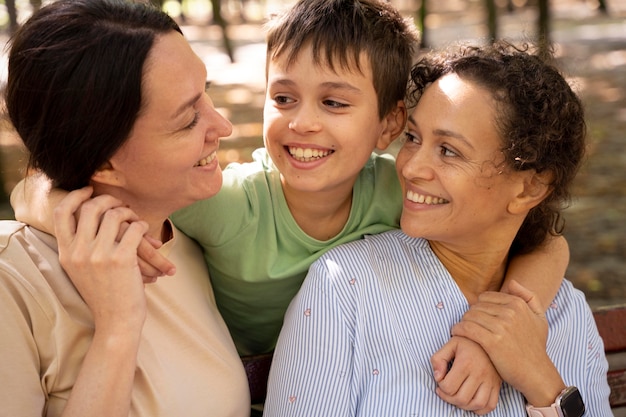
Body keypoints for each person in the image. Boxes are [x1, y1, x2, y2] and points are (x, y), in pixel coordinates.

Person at [11, 0, 570, 411]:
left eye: (333, 102)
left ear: (389, 124)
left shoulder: (403, 189)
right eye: (282, 98)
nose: (300, 121)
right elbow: (77, 173)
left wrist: (496, 329)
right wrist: (54, 201)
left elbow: (542, 238)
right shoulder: (227, 207)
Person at [263, 41, 612, 416]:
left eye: (448, 151)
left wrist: (543, 383)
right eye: (413, 138)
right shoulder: (345, 289)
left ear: (529, 187)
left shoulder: (566, 312)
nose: (411, 168)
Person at [0, 0, 249, 416]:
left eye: (206, 96)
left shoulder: (189, 232)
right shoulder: (14, 288)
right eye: (188, 120)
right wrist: (117, 327)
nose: (222, 127)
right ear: (102, 161)